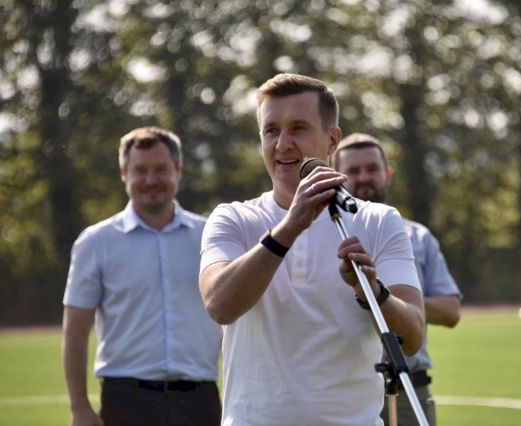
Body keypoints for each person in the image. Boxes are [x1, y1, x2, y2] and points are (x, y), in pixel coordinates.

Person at [199, 73, 425, 426]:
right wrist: (290, 226)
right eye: (271, 131)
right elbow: (219, 305)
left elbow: (411, 338)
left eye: (298, 129)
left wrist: (372, 290)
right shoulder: (233, 218)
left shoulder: (379, 220)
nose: (282, 144)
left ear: (332, 139)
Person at [62, 126, 223, 426]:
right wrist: (79, 407)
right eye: (140, 170)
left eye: (161, 169)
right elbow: (75, 331)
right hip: (125, 403)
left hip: (200, 401)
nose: (151, 180)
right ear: (124, 172)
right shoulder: (95, 243)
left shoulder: (210, 236)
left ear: (179, 170)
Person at [332, 133, 462, 426]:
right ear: (337, 177)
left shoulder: (419, 237)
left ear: (388, 174)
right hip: (344, 392)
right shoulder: (321, 234)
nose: (364, 177)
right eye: (353, 171)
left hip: (407, 388)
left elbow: (451, 311)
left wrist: (392, 297)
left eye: (372, 169)